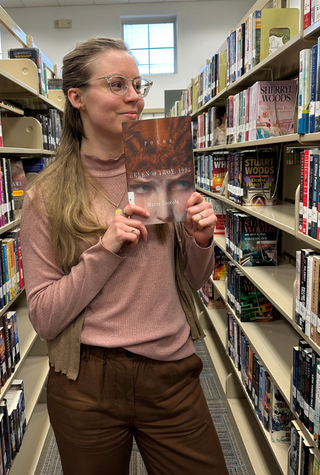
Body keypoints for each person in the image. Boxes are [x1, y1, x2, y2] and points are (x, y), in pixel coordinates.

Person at [21, 37, 228, 475]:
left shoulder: (164, 163)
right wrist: (106, 249)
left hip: (171, 372)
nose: (134, 96)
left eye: (138, 84)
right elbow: (43, 317)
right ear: (76, 97)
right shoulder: (46, 195)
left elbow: (191, 281)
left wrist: (200, 241)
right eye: (117, 84)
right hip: (86, 382)